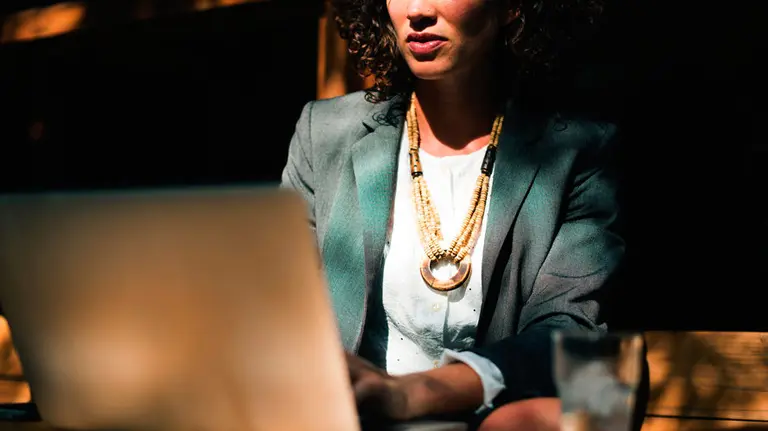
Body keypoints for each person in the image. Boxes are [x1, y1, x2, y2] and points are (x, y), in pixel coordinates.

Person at [281, 0, 638, 430]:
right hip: (351, 419)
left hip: (495, 414)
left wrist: (412, 393)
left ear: (511, 7)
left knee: (604, 394)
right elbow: (278, 306)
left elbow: (573, 333)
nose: (416, 10)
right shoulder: (325, 133)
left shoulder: (578, 150)